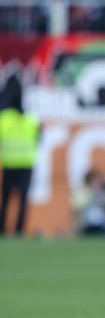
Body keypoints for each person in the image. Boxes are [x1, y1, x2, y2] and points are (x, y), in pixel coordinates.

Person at [0, 74, 39, 236]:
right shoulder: (31, 119)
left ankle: (2, 229)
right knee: (23, 200)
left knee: (6, 200)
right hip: (26, 164)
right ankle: (19, 230)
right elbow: (38, 138)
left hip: (9, 163)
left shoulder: (4, 119)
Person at [71, 169, 105, 236]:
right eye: (95, 181)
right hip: (87, 226)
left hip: (104, 226)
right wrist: (93, 194)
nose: (98, 183)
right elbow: (77, 206)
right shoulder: (83, 192)